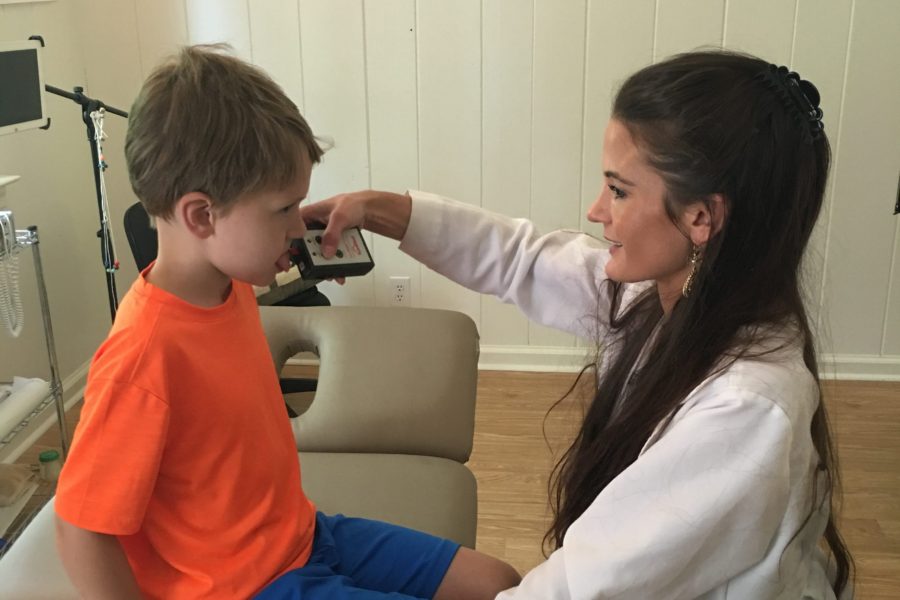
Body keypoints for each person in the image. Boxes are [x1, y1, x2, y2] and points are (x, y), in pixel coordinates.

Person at [300, 50, 855, 599]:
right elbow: (524, 258)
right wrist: (375, 209)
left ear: (701, 216)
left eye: (618, 190)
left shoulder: (746, 410)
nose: (596, 210)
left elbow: (582, 589)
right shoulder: (667, 298)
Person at [54, 45, 520, 600]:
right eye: (283, 210)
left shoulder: (228, 283)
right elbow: (79, 527)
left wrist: (303, 235)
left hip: (304, 534)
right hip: (244, 587)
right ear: (202, 216)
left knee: (499, 583)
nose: (298, 226)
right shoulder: (143, 355)